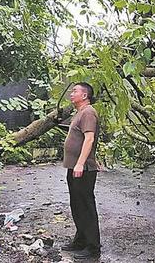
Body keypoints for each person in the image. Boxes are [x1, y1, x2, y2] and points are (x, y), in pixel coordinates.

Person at [61, 82, 101, 259]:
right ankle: (80, 240)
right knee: (77, 206)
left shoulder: (88, 112)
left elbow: (89, 139)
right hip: (75, 167)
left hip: (83, 168)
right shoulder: (79, 113)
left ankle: (93, 247)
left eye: (74, 91)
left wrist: (80, 163)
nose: (71, 94)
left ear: (84, 96)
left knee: (85, 206)